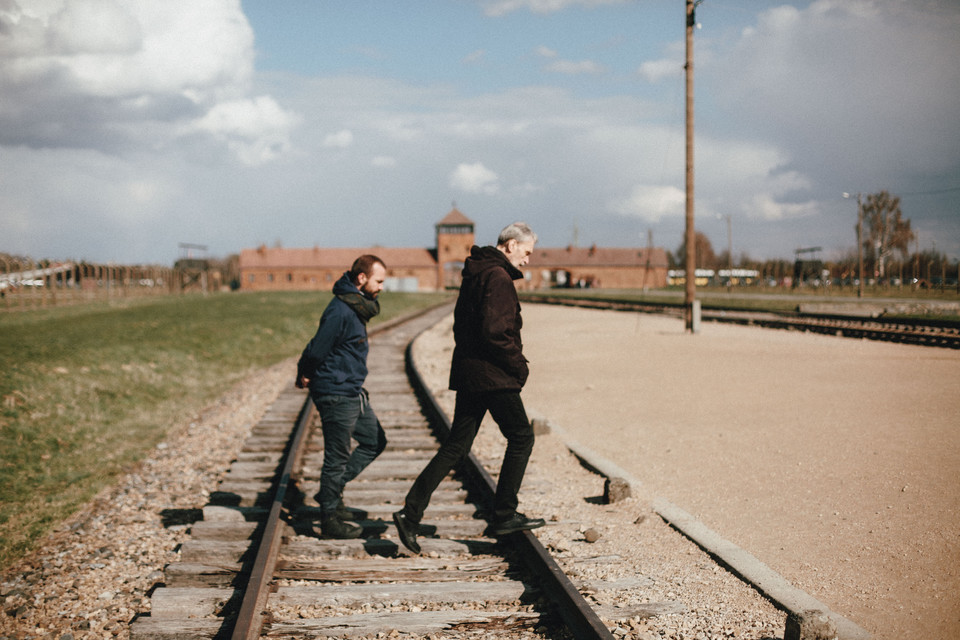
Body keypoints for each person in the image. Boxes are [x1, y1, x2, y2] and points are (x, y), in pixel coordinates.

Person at [393, 222, 544, 554]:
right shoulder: (499, 278)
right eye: (527, 252)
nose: (528, 260)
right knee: (521, 437)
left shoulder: (477, 272)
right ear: (511, 246)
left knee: (457, 445)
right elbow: (496, 333)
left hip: (473, 372)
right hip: (493, 374)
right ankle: (504, 514)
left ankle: (410, 513)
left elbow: (465, 327)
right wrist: (518, 366)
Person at [297, 254, 388, 539]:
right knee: (336, 458)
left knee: (374, 441)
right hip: (336, 391)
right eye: (379, 281)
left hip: (350, 389)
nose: (382, 287)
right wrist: (306, 371)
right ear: (362, 279)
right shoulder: (341, 310)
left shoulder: (355, 306)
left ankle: (329, 493)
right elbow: (317, 347)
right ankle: (329, 521)